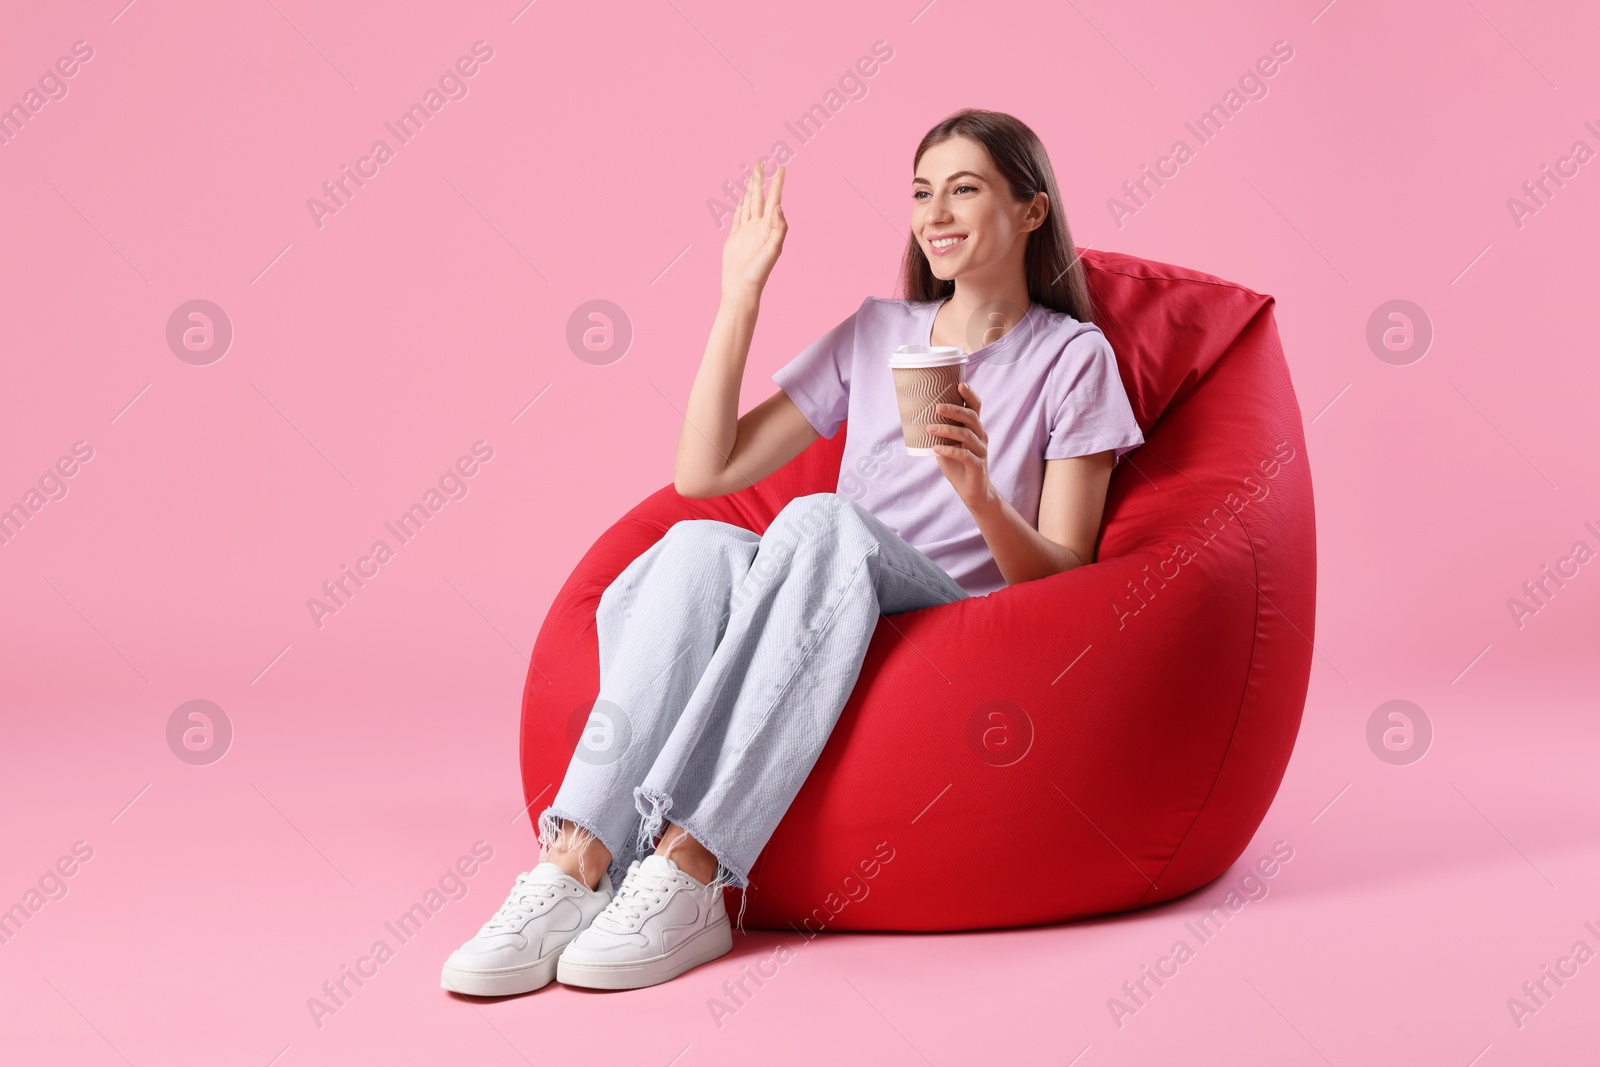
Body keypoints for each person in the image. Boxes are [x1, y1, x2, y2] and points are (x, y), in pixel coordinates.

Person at [440, 108, 1145, 997]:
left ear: (1032, 211)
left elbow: (1067, 575)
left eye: (965, 188)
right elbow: (706, 471)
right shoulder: (878, 331)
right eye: (923, 192)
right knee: (695, 542)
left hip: (948, 607)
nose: (936, 212)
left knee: (819, 521)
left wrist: (980, 495)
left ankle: (694, 867)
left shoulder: (1073, 358)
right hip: (822, 591)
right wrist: (740, 296)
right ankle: (579, 858)